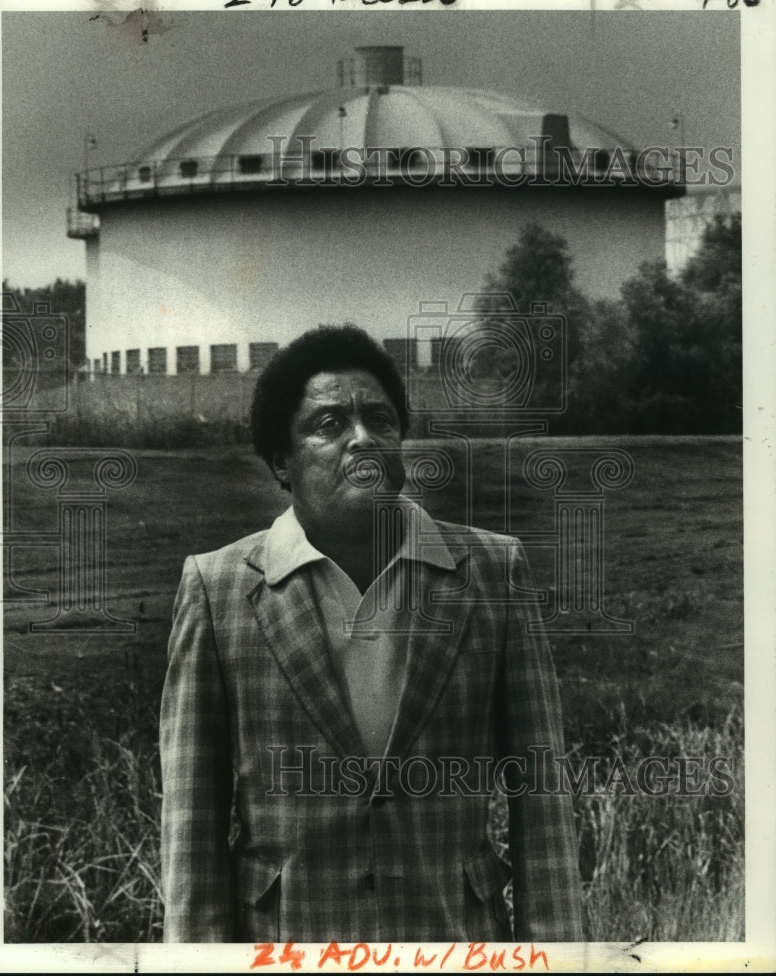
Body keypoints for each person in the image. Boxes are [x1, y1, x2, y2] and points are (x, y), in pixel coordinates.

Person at [160, 324, 583, 943]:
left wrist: (559, 957)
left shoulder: (494, 571)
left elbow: (541, 800)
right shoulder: (217, 589)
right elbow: (191, 823)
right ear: (282, 461)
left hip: (453, 945)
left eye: (379, 420)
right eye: (329, 424)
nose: (362, 439)